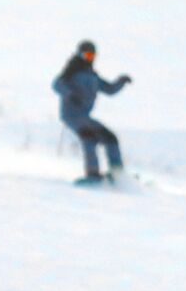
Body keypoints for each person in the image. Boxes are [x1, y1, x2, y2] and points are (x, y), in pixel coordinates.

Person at [51, 40, 132, 184]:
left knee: (110, 138)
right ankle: (92, 174)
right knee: (89, 137)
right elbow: (56, 84)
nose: (90, 58)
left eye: (92, 56)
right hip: (71, 115)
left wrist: (121, 82)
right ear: (80, 55)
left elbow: (109, 89)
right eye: (87, 55)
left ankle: (118, 173)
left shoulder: (93, 77)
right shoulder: (71, 72)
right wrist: (69, 94)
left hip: (85, 116)